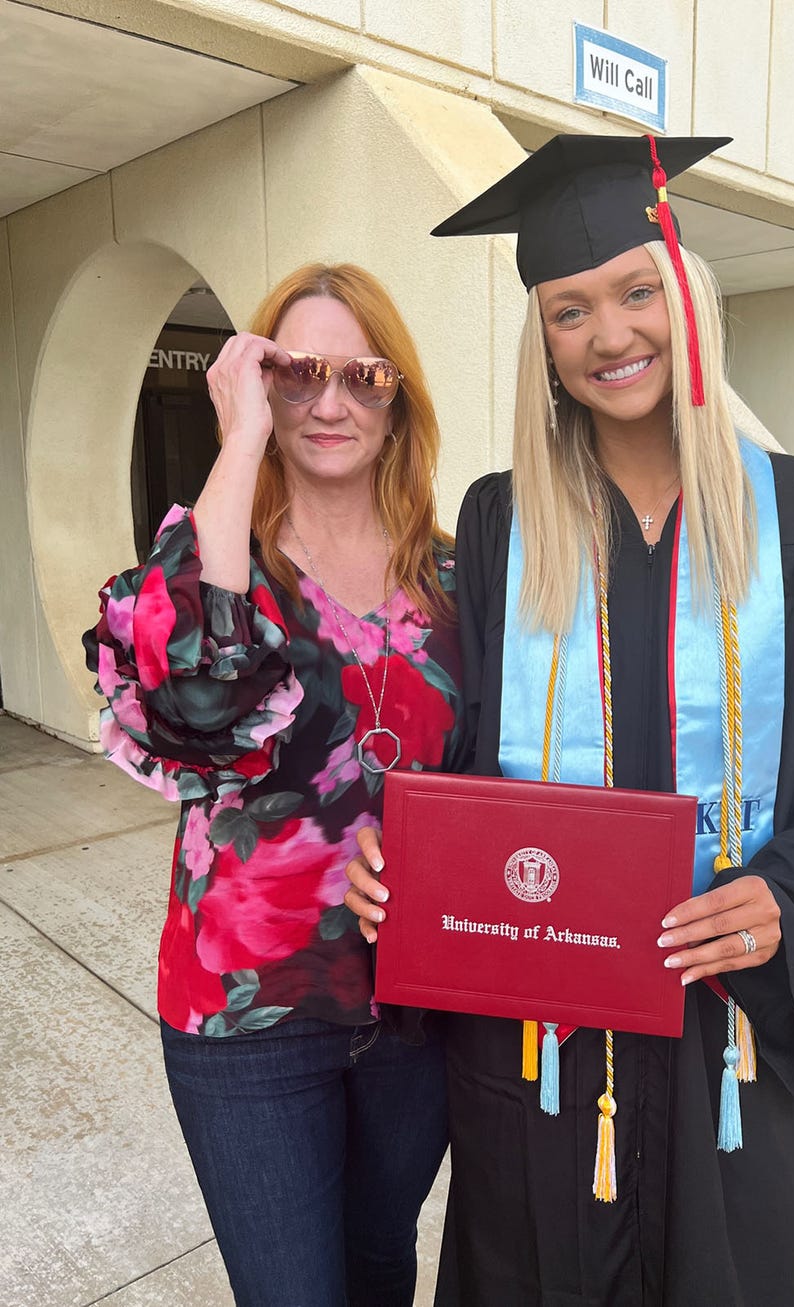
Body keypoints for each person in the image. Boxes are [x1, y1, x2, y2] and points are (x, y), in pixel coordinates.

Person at [345, 136, 794, 1306]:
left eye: (635, 291)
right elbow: (465, 766)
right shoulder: (502, 525)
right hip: (541, 1056)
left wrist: (787, 900)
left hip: (732, 1048)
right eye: (567, 311)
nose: (608, 336)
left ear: (685, 294)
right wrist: (395, 857)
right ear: (540, 348)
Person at [83, 263, 467, 1307]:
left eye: (363, 375)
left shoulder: (460, 574)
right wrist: (239, 443)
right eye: (297, 372)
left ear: (398, 402)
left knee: (384, 1259)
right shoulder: (222, 558)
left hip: (415, 1003)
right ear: (254, 381)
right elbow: (191, 709)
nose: (331, 401)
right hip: (245, 1013)